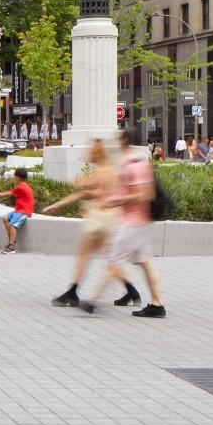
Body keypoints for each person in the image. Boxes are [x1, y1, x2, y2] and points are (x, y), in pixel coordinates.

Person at [39, 136, 119, 313]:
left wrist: (60, 204)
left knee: (91, 257)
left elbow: (97, 192)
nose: (88, 153)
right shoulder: (108, 169)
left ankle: (84, 296)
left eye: (91, 150)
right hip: (107, 219)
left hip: (101, 220)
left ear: (97, 152)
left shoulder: (103, 170)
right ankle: (77, 293)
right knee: (95, 257)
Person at [92, 146, 166, 318]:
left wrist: (118, 200)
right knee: (146, 263)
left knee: (113, 261)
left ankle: (92, 301)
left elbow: (144, 195)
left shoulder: (135, 166)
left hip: (134, 223)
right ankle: (157, 304)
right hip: (137, 221)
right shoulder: (136, 163)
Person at [0, 168, 36, 253]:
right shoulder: (23, 186)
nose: (13, 178)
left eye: (14, 176)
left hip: (24, 211)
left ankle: (11, 246)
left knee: (12, 225)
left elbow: (8, 194)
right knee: (5, 218)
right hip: (18, 210)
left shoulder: (21, 187)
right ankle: (12, 238)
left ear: (18, 177)